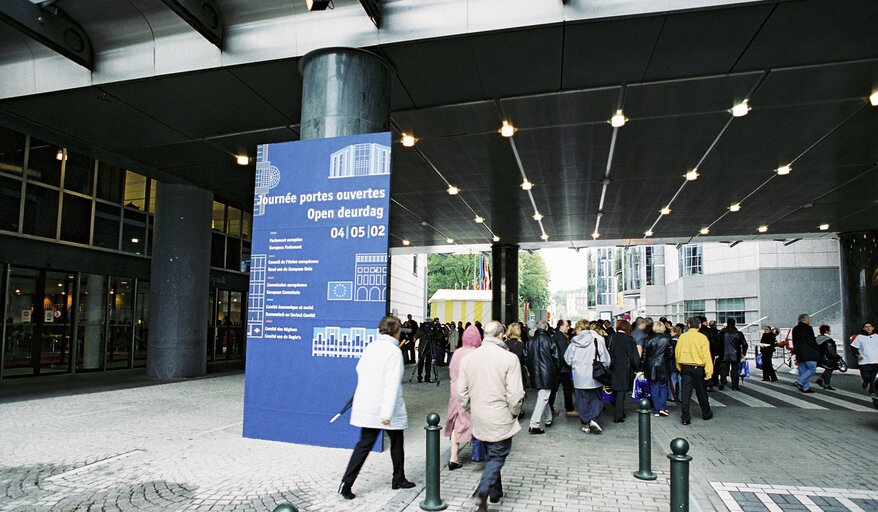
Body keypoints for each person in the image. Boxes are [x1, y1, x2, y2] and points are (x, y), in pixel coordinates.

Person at [339, 315, 415, 500]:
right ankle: (398, 478)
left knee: (364, 445)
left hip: (368, 403)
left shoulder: (371, 347)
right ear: (396, 331)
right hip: (386, 406)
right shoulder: (394, 352)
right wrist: (387, 412)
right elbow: (393, 384)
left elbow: (359, 370)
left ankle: (346, 483)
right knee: (397, 442)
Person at [457, 321, 525, 511]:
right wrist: (513, 412)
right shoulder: (509, 359)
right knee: (497, 455)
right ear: (501, 335)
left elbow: (461, 393)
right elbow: (516, 394)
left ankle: (495, 493)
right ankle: (482, 491)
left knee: (490, 452)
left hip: (479, 415)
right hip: (501, 415)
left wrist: (472, 408)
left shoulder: (468, 359)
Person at [565, 319, 611, 434]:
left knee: (582, 401)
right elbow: (605, 358)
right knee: (596, 398)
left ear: (579, 329)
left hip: (579, 377)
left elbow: (567, 359)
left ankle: (586, 422)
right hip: (594, 375)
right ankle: (594, 419)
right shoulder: (597, 340)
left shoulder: (573, 343)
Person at [445, 325, 482, 470]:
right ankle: (477, 454)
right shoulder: (476, 353)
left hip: (455, 391)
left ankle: (453, 458)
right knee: (475, 422)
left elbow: (451, 371)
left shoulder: (457, 352)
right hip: (470, 392)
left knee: (456, 423)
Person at [523, 319, 560, 434]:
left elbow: (524, 357)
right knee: (543, 397)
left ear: (536, 328)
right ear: (547, 328)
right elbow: (557, 360)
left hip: (535, 373)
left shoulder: (530, 342)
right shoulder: (550, 341)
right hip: (548, 374)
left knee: (543, 396)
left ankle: (548, 419)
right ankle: (534, 425)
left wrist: (531, 368)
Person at [676, 317, 714, 425]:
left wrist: (679, 367)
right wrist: (709, 372)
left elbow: (677, 353)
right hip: (698, 368)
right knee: (701, 392)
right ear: (700, 326)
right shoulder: (702, 338)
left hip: (685, 367)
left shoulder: (682, 337)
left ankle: (685, 417)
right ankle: (706, 413)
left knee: (685, 393)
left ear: (688, 325)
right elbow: (707, 356)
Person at [607, 319, 640, 423]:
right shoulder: (629, 340)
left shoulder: (611, 337)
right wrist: (637, 369)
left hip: (612, 368)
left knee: (615, 391)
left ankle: (619, 411)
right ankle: (618, 416)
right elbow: (634, 357)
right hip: (624, 369)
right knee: (621, 392)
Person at [642, 321, 671, 416]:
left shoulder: (648, 339)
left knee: (654, 387)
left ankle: (656, 409)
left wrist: (641, 367)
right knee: (663, 386)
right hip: (663, 364)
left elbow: (644, 355)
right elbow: (671, 353)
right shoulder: (667, 339)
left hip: (651, 365)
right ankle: (663, 407)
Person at [548, 319, 576, 418]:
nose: (568, 328)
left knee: (554, 389)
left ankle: (550, 408)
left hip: (557, 367)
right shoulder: (561, 337)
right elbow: (564, 353)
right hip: (562, 367)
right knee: (567, 388)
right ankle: (569, 409)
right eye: (567, 326)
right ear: (561, 326)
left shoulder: (556, 336)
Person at [717, 318, 747, 391]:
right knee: (735, 370)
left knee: (723, 369)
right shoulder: (739, 333)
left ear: (727, 324)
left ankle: (722, 383)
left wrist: (717, 353)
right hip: (735, 354)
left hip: (724, 354)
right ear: (734, 324)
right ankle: (735, 385)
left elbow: (717, 343)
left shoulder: (722, 333)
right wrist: (743, 353)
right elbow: (744, 344)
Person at [792, 313, 819, 393]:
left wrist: (796, 350)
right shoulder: (808, 328)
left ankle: (805, 388)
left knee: (802, 370)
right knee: (812, 369)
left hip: (799, 352)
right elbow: (811, 340)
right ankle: (799, 382)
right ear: (805, 319)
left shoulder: (795, 328)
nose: (809, 320)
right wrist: (816, 348)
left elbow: (794, 340)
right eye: (808, 318)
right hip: (808, 352)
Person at [850, 321, 877, 392]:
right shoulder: (859, 337)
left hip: (876, 361)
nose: (868, 328)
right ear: (863, 328)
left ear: (873, 328)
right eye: (866, 327)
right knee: (866, 376)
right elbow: (853, 348)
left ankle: (872, 391)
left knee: (873, 378)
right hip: (864, 361)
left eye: (870, 327)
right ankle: (865, 381)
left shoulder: (877, 337)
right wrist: (857, 355)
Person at [815, 324, 838, 390]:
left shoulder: (817, 338)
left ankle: (820, 379)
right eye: (829, 330)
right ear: (826, 331)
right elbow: (831, 351)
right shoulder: (828, 340)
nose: (830, 331)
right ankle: (826, 384)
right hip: (826, 358)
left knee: (828, 369)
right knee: (830, 369)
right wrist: (835, 357)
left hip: (818, 357)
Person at [504, 323, 527, 389]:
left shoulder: (504, 343)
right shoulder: (521, 344)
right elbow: (524, 359)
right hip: (518, 370)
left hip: (506, 371)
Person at [668, 325, 682, 402]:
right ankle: (681, 397)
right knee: (681, 380)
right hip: (681, 362)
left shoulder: (671, 342)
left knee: (672, 379)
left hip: (672, 362)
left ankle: (672, 396)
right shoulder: (682, 341)